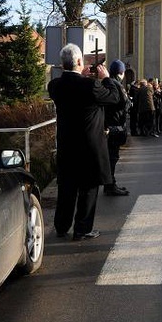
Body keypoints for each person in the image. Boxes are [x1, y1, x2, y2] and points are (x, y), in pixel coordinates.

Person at [48, 43, 121, 241]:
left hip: (66, 145)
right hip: (89, 147)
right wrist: (106, 79)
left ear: (63, 64)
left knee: (66, 188)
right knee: (88, 188)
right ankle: (82, 228)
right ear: (79, 61)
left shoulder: (54, 86)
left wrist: (81, 74)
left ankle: (62, 226)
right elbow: (114, 98)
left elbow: (72, 85)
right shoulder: (91, 86)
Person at [103, 60, 131, 197]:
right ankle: (110, 185)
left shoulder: (107, 83)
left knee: (110, 157)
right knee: (112, 157)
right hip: (115, 127)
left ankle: (109, 184)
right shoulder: (117, 85)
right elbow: (125, 104)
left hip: (109, 126)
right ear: (121, 72)